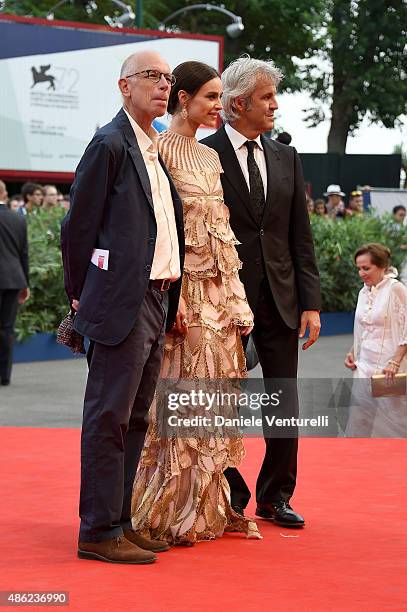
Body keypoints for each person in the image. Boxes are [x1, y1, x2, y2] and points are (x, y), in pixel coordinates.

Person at [61, 50, 185, 564]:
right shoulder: (109, 143)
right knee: (108, 416)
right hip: (121, 302)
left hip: (156, 297)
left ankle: (121, 521)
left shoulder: (154, 147)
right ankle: (97, 529)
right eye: (151, 77)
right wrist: (81, 292)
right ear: (123, 85)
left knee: (135, 418)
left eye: (168, 79)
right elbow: (77, 228)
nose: (163, 86)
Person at [131, 61, 261, 544]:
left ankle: (203, 506)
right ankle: (165, 507)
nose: (217, 106)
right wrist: (174, 300)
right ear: (183, 98)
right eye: (210, 97)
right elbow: (162, 232)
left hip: (218, 296)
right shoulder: (158, 151)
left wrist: (236, 302)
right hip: (181, 295)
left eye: (219, 97)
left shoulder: (209, 158)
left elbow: (222, 239)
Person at [202, 57, 321, 527]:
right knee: (219, 400)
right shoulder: (204, 154)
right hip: (222, 300)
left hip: (282, 298)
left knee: (282, 400)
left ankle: (277, 496)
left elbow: (300, 237)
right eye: (267, 96)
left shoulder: (286, 156)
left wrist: (310, 302)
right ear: (238, 103)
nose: (276, 105)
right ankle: (229, 491)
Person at [345, 244, 407, 437]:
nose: (361, 273)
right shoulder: (363, 292)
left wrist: (395, 361)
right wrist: (353, 351)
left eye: (366, 268)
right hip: (364, 364)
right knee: (360, 416)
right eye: (358, 268)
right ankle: (360, 462)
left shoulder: (396, 289)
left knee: (392, 421)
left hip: (390, 366)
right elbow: (364, 326)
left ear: (382, 266)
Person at [0, 180, 30, 386]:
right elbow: (23, 253)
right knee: (7, 328)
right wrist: (25, 283)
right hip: (13, 278)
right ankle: (5, 375)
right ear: (4, 194)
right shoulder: (17, 220)